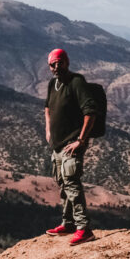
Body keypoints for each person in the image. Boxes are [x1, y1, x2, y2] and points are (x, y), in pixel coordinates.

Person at [43, 48, 97, 245]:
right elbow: (47, 108)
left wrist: (81, 140)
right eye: (52, 64)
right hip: (57, 145)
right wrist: (48, 131)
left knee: (72, 184)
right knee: (63, 183)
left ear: (67, 62)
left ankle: (84, 228)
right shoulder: (52, 83)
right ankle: (68, 224)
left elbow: (90, 112)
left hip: (71, 143)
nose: (57, 67)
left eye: (60, 62)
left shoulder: (76, 82)